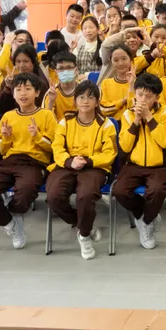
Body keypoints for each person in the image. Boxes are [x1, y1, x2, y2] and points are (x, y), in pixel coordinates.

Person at [0, 72, 57, 250]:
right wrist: (6, 138)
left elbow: (53, 147)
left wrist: (37, 136)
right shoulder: (8, 116)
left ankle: (15, 212)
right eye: (18, 89)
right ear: (13, 93)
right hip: (10, 161)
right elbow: (1, 149)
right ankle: (10, 223)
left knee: (25, 191)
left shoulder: (46, 115)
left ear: (37, 93)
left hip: (34, 162)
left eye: (28, 89)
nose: (23, 93)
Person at [47, 80, 117, 260]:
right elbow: (57, 147)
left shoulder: (106, 124)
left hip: (94, 167)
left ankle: (84, 235)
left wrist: (88, 161)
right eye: (81, 97)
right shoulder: (65, 121)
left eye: (90, 97)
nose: (86, 101)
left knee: (85, 196)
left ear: (97, 102)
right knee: (54, 195)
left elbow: (109, 154)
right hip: (67, 165)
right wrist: (70, 161)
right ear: (75, 101)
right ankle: (82, 224)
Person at [113, 72, 166, 250]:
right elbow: (125, 147)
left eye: (148, 97)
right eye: (140, 95)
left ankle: (147, 223)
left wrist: (149, 118)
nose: (142, 100)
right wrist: (136, 121)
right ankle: (145, 215)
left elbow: (165, 140)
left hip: (159, 166)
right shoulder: (127, 114)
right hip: (133, 165)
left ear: (157, 97)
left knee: (156, 191)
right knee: (119, 191)